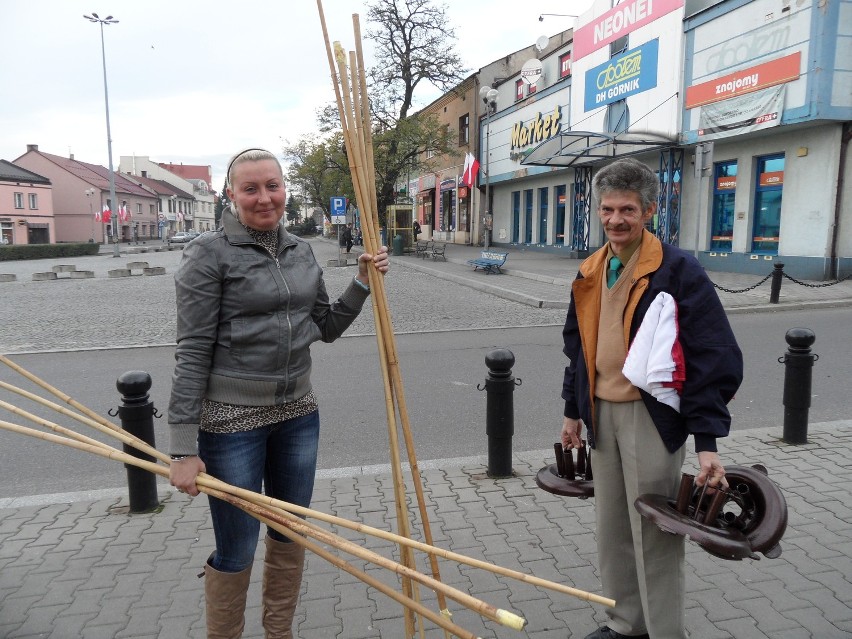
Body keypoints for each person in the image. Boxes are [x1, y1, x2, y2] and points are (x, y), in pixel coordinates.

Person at [168, 148, 389, 639]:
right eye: (250, 188)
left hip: (297, 413)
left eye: (273, 185)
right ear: (231, 195)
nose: (264, 198)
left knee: (290, 530)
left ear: (285, 189)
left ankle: (279, 632)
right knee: (238, 547)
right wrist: (183, 447)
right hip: (231, 421)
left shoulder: (300, 249)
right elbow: (192, 349)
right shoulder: (208, 253)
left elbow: (324, 327)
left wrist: (361, 282)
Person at [559, 158, 743, 639]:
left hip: (651, 419)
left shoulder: (677, 269)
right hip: (600, 415)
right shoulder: (591, 268)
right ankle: (625, 624)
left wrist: (707, 443)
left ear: (649, 211)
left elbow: (712, 355)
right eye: (606, 209)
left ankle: (664, 631)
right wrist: (571, 414)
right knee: (612, 528)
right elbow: (577, 347)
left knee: (656, 530)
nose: (615, 220)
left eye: (627, 210)